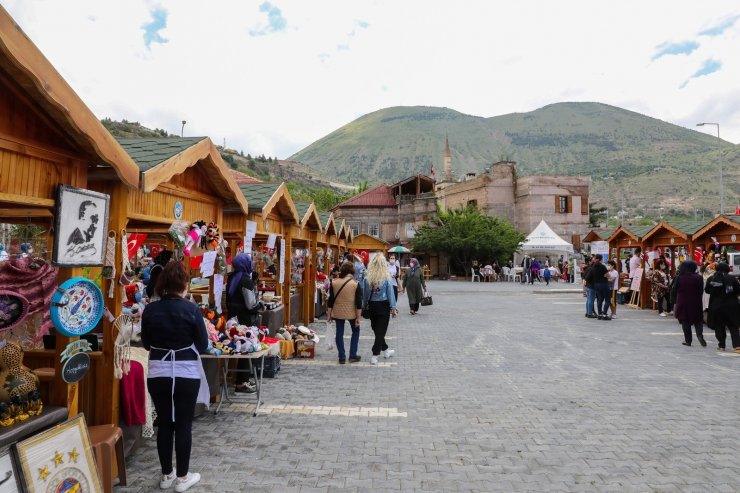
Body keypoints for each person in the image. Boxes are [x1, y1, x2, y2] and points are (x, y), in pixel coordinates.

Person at [141, 261, 208, 492]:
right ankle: (182, 477)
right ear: (184, 284)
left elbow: (147, 343)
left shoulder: (150, 310)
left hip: (158, 371)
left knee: (165, 424)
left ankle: (166, 474)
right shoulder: (191, 309)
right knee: (183, 424)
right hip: (185, 372)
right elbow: (203, 344)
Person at [225, 253, 261, 392]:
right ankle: (241, 382)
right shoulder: (246, 280)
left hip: (233, 319)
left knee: (239, 349)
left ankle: (240, 380)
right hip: (245, 321)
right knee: (246, 350)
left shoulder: (231, 278)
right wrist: (260, 306)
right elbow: (251, 304)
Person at [363, 254, 398, 365]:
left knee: (377, 330)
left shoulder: (367, 278)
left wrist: (365, 305)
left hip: (372, 305)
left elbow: (366, 294)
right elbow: (390, 294)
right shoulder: (386, 277)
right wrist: (393, 308)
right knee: (380, 331)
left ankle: (386, 350)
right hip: (383, 305)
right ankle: (375, 354)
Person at [327, 262, 362, 364]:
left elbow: (331, 300)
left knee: (339, 332)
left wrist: (329, 314)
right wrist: (358, 317)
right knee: (355, 331)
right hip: (352, 312)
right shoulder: (355, 284)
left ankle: (341, 356)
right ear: (352, 271)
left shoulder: (334, 282)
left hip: (338, 312)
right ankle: (352, 355)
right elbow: (358, 302)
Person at [704, 262, 740, 352]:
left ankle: (721, 345)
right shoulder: (732, 278)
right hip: (731, 306)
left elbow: (707, 290)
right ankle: (737, 346)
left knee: (719, 326)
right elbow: (738, 290)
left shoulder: (711, 279)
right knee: (733, 325)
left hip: (716, 306)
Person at [672, 260, 705, 347]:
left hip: (683, 301)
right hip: (696, 301)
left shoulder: (679, 277)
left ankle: (688, 340)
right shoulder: (699, 277)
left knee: (685, 320)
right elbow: (701, 290)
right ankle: (699, 335)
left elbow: (675, 289)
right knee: (698, 319)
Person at [585, 254, 611, 320]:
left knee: (600, 299)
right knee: (607, 299)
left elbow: (588, 277)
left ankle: (599, 314)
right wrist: (607, 276)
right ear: (601, 259)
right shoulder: (602, 266)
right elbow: (608, 275)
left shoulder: (593, 267)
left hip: (596, 285)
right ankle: (604, 315)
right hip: (604, 284)